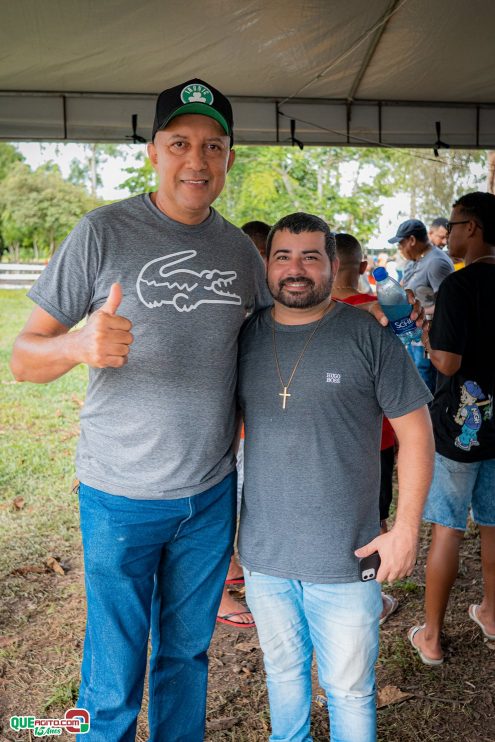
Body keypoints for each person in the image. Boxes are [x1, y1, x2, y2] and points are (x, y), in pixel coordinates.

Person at [9, 77, 270, 741]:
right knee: (114, 664)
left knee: (186, 654)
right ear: (153, 151)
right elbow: (23, 358)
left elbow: (264, 363)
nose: (196, 160)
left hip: (209, 496)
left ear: (229, 158)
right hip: (119, 494)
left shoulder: (241, 253)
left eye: (212, 146)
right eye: (179, 142)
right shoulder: (102, 231)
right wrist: (76, 341)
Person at [237, 213, 434, 742]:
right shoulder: (245, 335)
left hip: (348, 559)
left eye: (310, 256)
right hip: (264, 558)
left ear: (334, 265)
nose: (296, 269)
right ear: (266, 265)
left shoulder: (367, 336)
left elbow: (417, 436)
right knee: (281, 677)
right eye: (283, 256)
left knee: (348, 690)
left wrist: (406, 528)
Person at [408, 192, 495, 666]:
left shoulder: (462, 286)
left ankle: (433, 637)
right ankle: (491, 613)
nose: (450, 233)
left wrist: (427, 335)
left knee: (447, 528)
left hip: (461, 428)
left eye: (456, 224)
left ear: (475, 227)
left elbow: (448, 360)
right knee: (494, 524)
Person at [333, 232, 399, 624]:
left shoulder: (314, 310)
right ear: (361, 268)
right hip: (378, 436)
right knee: (375, 516)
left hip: (332, 438)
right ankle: (370, 594)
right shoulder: (382, 311)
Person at [389, 217, 454, 393]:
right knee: (416, 379)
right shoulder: (416, 261)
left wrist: (416, 312)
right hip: (414, 336)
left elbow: (448, 305)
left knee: (426, 383)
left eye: (401, 244)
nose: (400, 249)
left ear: (412, 240)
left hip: (430, 337)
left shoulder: (436, 263)